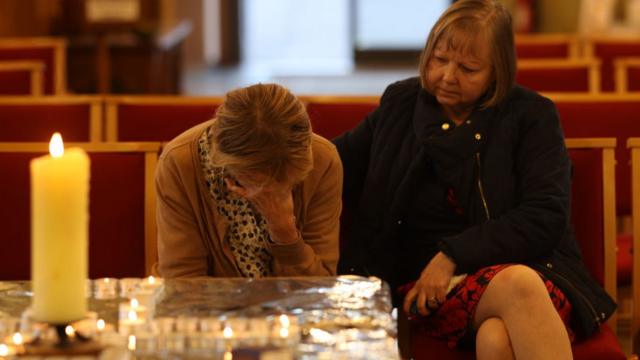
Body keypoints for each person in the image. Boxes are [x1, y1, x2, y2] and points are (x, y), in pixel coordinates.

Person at [334, 0, 615, 359]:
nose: (448, 76)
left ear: (497, 71)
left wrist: (452, 255)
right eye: (439, 60)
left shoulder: (531, 115)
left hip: (533, 271)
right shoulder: (400, 103)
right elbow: (334, 163)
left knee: (506, 314)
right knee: (497, 335)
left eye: (468, 68)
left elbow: (545, 215)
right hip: (423, 286)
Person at [155, 83, 342, 278]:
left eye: (284, 184)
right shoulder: (180, 162)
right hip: (207, 306)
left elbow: (320, 288)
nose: (272, 191)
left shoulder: (321, 160)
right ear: (227, 164)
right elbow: (183, 283)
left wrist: (284, 229)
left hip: (295, 306)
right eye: (262, 184)